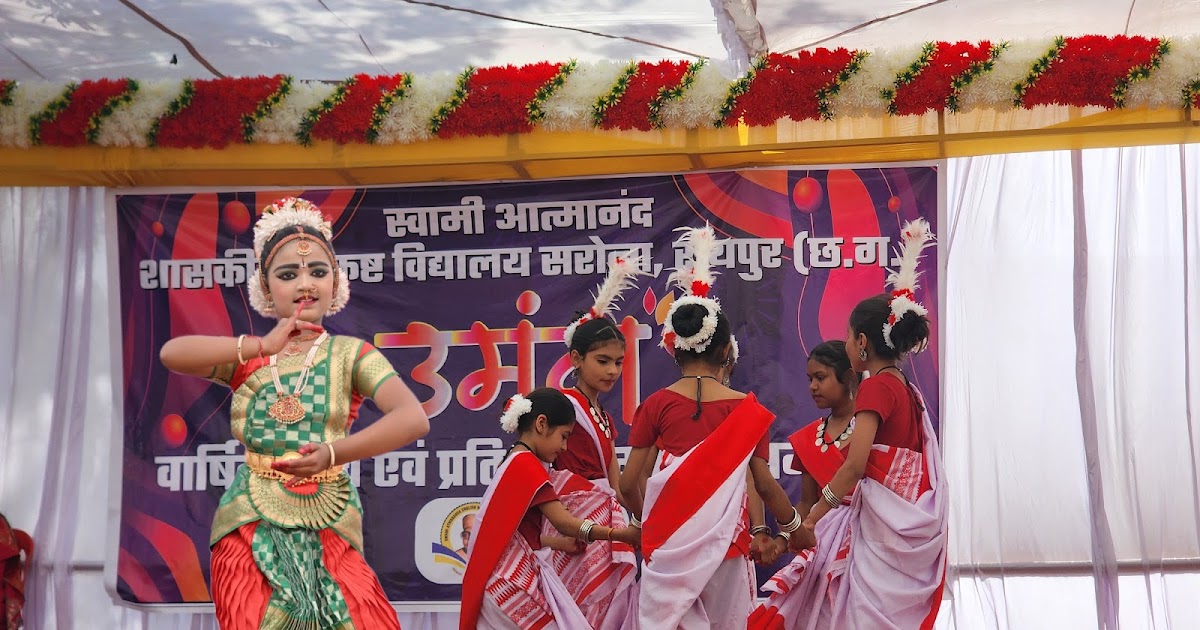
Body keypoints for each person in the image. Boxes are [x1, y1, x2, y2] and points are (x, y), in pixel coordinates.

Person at [159, 197, 430, 630]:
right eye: (288, 275)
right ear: (266, 289)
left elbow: (412, 418)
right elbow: (173, 354)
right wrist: (261, 346)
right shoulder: (248, 356)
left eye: (318, 272)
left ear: (335, 282)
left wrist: (332, 454)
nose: (305, 284)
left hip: (330, 516)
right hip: (250, 522)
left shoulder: (351, 354)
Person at [758, 218, 948, 629]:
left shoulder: (876, 388)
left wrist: (813, 518)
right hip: (900, 529)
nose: (845, 343)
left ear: (862, 342)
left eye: (847, 336)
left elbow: (855, 465)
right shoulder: (906, 387)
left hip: (880, 533)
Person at [618, 224, 798, 630]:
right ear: (725, 352)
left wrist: (651, 524)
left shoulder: (654, 405)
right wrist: (793, 528)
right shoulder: (747, 409)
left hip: (667, 546)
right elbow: (764, 484)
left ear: (674, 349)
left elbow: (628, 484)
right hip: (726, 549)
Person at [459, 389, 641, 630]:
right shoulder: (527, 466)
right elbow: (563, 522)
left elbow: (518, 534)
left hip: (499, 582)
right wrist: (616, 535)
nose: (564, 447)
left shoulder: (512, 459)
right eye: (564, 436)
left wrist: (559, 544)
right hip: (511, 583)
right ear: (541, 424)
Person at [747, 340, 861, 629]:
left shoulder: (870, 428)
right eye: (810, 379)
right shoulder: (808, 439)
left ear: (849, 378)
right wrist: (782, 541)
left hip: (867, 549)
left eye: (821, 378)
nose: (812, 386)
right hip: (823, 552)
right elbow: (807, 504)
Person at [557, 251, 650, 504]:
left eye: (618, 362)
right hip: (566, 512)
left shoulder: (605, 418)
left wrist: (640, 520)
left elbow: (615, 486)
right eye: (602, 361)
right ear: (576, 358)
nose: (612, 371)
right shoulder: (562, 405)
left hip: (602, 514)